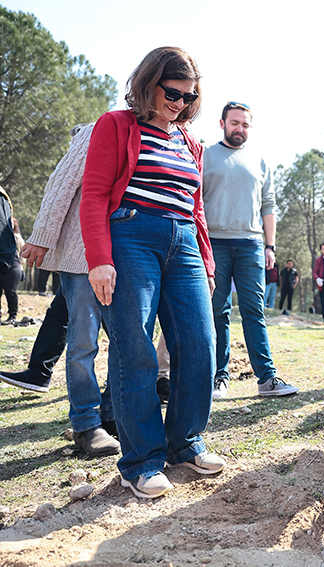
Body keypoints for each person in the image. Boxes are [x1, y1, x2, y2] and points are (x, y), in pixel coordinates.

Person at [81, 46, 225, 499]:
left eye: (189, 95)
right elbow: (94, 195)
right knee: (135, 347)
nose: (180, 103)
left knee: (201, 341)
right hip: (130, 236)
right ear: (149, 83)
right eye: (172, 92)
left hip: (183, 241)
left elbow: (195, 206)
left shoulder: (189, 141)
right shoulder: (117, 124)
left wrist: (206, 260)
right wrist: (99, 259)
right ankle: (141, 462)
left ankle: (185, 443)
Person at [18, 122, 120, 457]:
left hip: (127, 256)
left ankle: (112, 413)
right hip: (82, 256)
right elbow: (61, 184)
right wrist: (42, 237)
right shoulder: (97, 130)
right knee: (82, 341)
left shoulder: (153, 135)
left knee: (128, 340)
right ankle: (86, 424)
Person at [204, 101, 297, 399]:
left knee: (254, 311)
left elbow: (268, 206)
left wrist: (270, 245)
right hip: (215, 243)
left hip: (251, 245)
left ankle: (267, 379)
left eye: (245, 124)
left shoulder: (260, 161)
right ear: (222, 124)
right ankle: (218, 378)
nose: (240, 129)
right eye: (234, 123)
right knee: (218, 311)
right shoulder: (205, 156)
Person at [1, 217, 23, 326]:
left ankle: (12, 316)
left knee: (10, 292)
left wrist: (22, 267)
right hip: (1, 267)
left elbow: (22, 252)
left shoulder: (15, 237)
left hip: (13, 267)